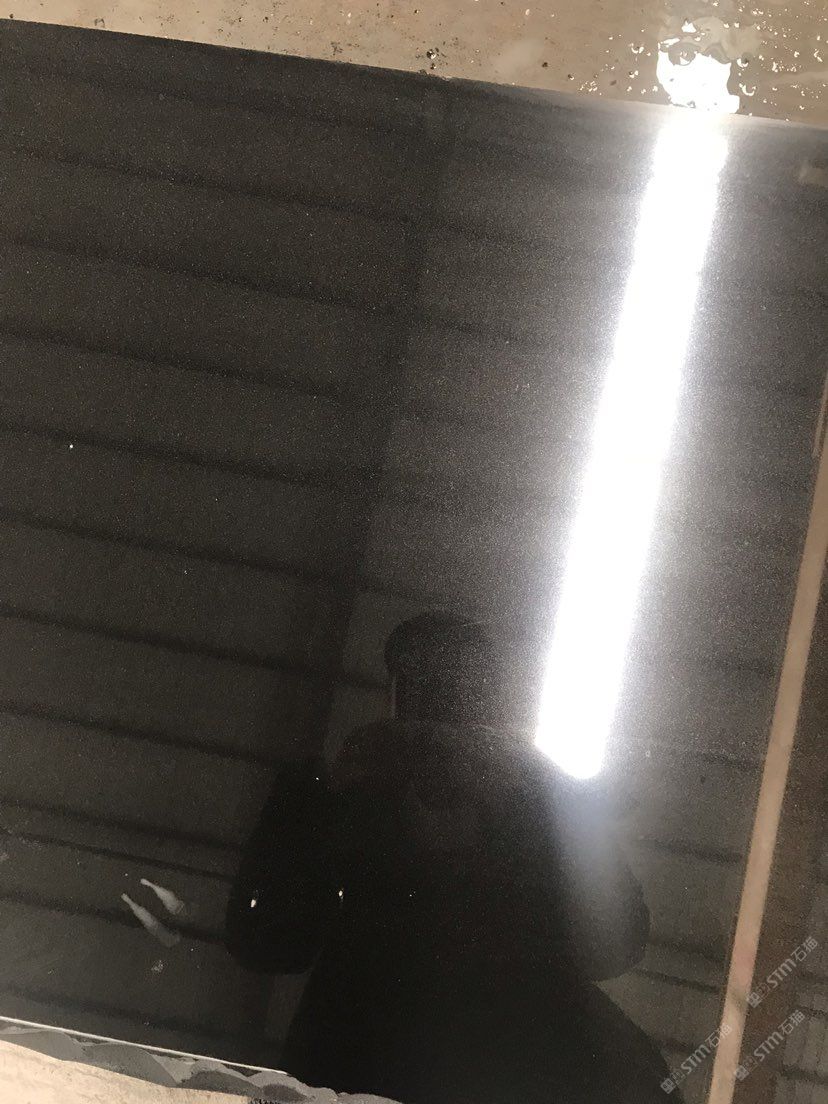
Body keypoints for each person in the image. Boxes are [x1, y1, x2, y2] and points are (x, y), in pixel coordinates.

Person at [225, 613, 679, 1103]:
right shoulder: (351, 793)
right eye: (421, 686)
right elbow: (267, 943)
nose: (440, 706)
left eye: (458, 689)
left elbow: (616, 944)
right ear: (394, 696)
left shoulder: (534, 805)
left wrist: (536, 798)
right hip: (366, 1071)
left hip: (481, 1071)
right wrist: (313, 806)